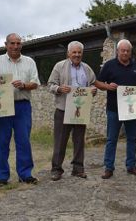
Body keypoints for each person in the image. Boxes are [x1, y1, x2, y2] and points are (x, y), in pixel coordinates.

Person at [0, 33, 40, 186]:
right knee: (1, 142)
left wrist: (24, 85)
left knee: (23, 141)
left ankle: (25, 174)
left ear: (21, 45)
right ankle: (2, 176)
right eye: (12, 43)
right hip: (2, 106)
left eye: (18, 43)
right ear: (6, 44)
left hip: (22, 105)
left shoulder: (29, 62)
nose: (15, 46)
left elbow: (36, 83)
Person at [95, 39, 136, 179]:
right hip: (113, 109)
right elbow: (98, 82)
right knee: (111, 139)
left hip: (131, 110)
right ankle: (109, 168)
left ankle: (131, 165)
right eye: (122, 50)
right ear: (117, 51)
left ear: (130, 52)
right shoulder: (109, 65)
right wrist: (107, 86)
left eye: (127, 51)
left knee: (132, 139)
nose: (125, 53)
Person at [47, 41, 97, 181]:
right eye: (74, 52)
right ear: (68, 53)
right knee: (60, 141)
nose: (77, 55)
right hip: (63, 109)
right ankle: (56, 169)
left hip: (81, 109)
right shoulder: (59, 66)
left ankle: (78, 169)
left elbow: (93, 83)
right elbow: (50, 85)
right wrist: (59, 89)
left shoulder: (87, 68)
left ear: (82, 53)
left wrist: (93, 89)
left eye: (79, 52)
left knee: (79, 140)